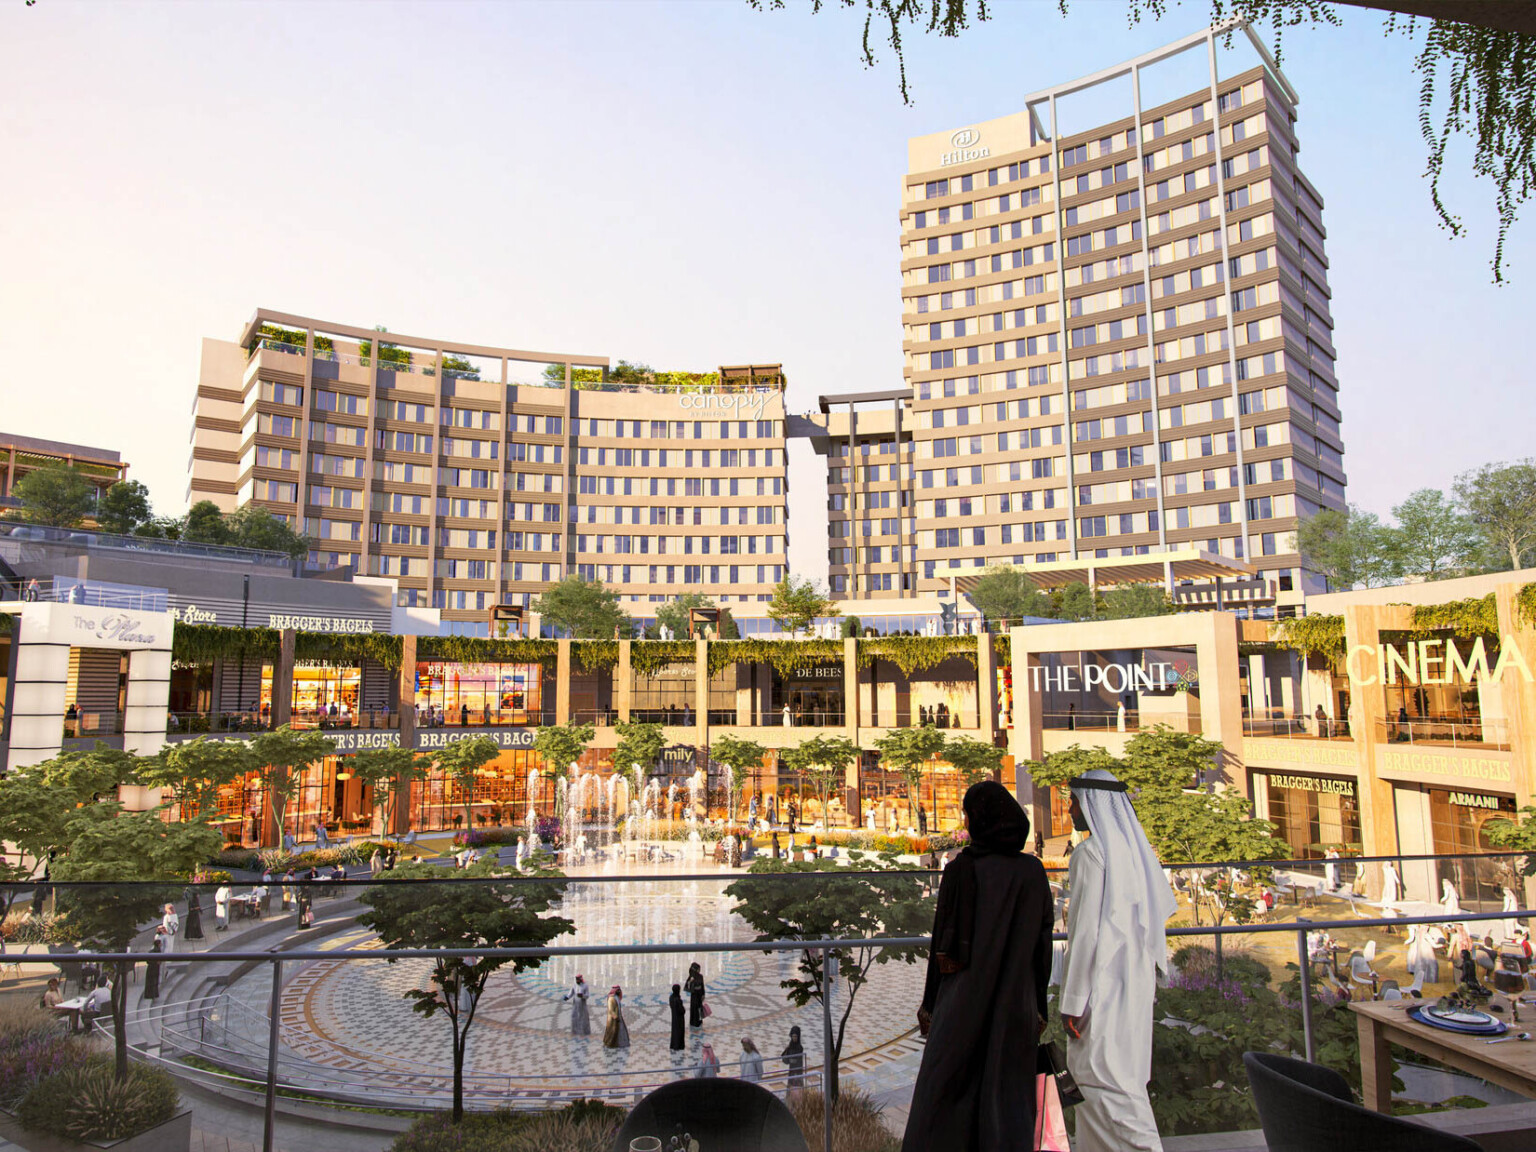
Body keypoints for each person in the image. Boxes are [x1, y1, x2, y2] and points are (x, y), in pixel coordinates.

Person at [901, 780, 1053, 1152]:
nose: (965, 821)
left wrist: (930, 1006)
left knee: (945, 1104)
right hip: (1013, 1006)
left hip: (961, 1005)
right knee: (1007, 1105)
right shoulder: (1032, 873)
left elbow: (942, 948)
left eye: (967, 814)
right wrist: (1037, 1007)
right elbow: (1042, 949)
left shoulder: (960, 870)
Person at [1059, 769, 1178, 1152]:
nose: (1071, 808)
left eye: (1075, 800)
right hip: (1134, 986)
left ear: (1093, 805)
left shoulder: (1091, 854)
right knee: (1120, 1084)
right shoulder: (1132, 855)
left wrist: (1072, 1002)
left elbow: (1085, 934)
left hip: (1103, 990)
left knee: (1108, 1088)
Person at [143, 927, 166, 1000]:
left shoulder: (153, 951)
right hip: (155, 968)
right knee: (154, 981)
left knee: (151, 981)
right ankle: (153, 994)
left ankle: (150, 994)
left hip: (152, 968)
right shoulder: (157, 951)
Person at [781, 1026, 805, 1093]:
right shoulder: (790, 1046)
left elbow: (799, 1061)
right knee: (791, 1088)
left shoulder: (800, 1048)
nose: (794, 1038)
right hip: (791, 1070)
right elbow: (785, 1059)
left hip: (798, 1071)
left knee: (798, 1088)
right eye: (793, 1036)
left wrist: (792, 1060)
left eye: (796, 1036)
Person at [684, 962, 706, 1028]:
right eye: (698, 969)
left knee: (699, 1007)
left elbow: (702, 986)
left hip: (699, 994)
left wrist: (703, 994)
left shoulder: (700, 976)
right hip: (694, 995)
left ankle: (699, 1020)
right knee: (694, 1007)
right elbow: (687, 987)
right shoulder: (691, 977)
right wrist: (690, 982)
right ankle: (694, 1022)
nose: (699, 970)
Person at [669, 983, 686, 1051]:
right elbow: (682, 1010)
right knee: (679, 1031)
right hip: (679, 1019)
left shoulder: (671, 998)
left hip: (674, 1017)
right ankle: (679, 1045)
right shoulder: (678, 1000)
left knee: (674, 1031)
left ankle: (674, 1044)